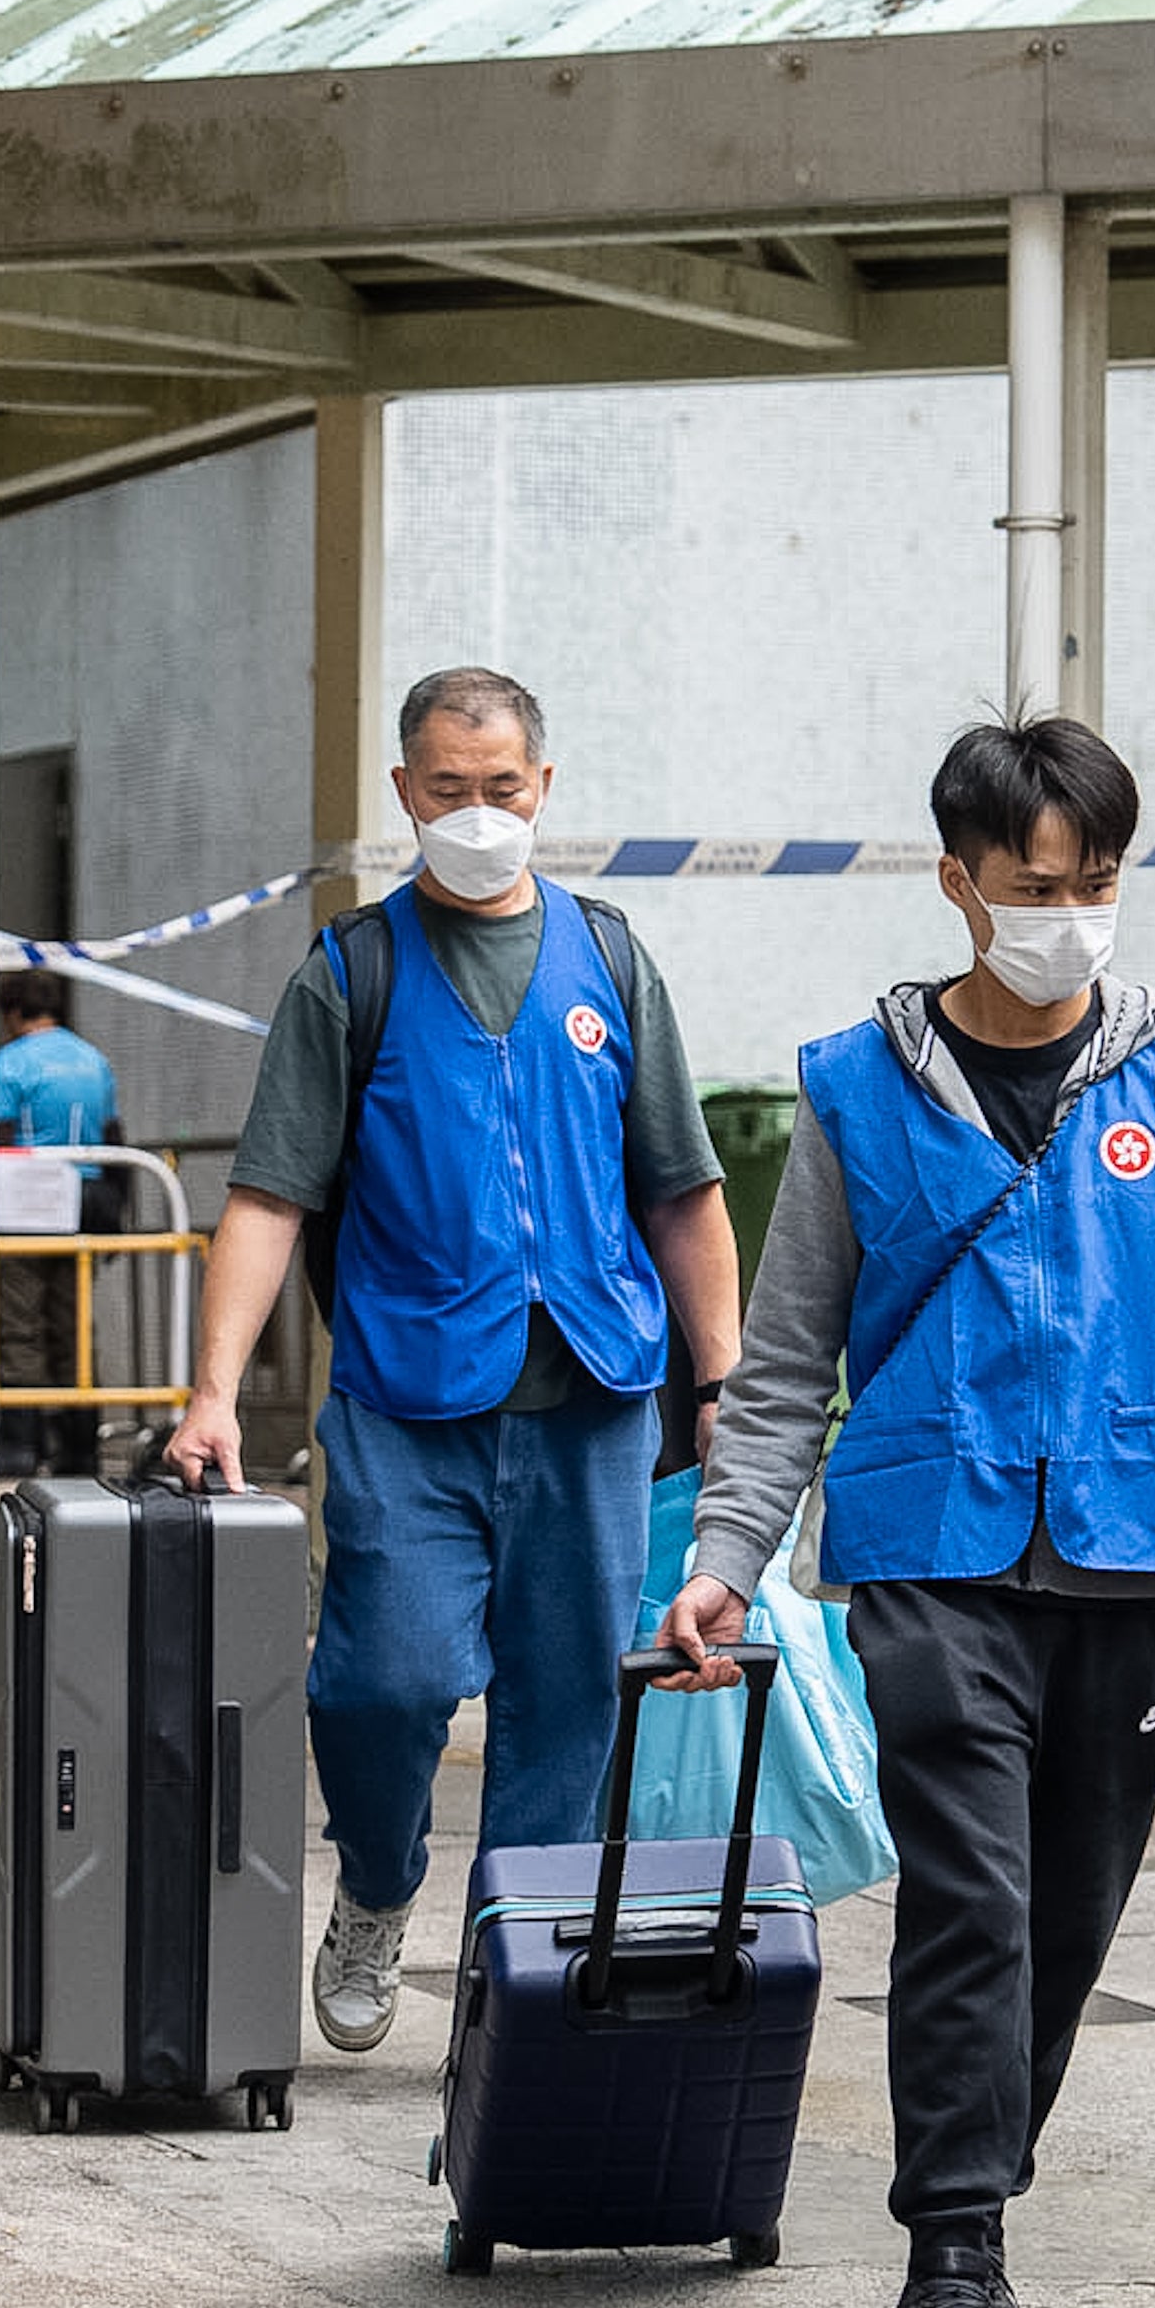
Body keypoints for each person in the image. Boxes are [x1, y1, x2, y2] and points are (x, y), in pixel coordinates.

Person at [659, 714, 1155, 2308]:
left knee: (1067, 1919)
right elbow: (787, 1353)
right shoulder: (855, 1088)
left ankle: (983, 2214)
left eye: (1097, 879)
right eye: (1035, 882)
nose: (1068, 910)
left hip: (1125, 1553)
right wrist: (727, 1552)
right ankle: (948, 2254)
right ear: (959, 878)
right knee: (971, 1897)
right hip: (927, 1549)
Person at [163, 667, 744, 2057]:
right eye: (447, 790)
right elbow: (269, 1194)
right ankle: (375, 1884)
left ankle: (522, 1986)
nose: (476, 814)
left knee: (566, 1710)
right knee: (385, 1678)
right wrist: (211, 1388)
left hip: (593, 1396)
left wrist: (725, 1381)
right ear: (404, 794)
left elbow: (683, 1188)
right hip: (408, 1399)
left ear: (541, 786)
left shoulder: (609, 957)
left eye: (501, 789)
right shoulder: (352, 971)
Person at [0, 973, 121, 1478]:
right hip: (86, 1198)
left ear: (14, 1013)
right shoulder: (93, 1060)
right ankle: (81, 1447)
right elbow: (112, 1133)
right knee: (75, 1324)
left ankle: (20, 1445)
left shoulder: (11, 1062)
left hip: (28, 1197)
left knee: (20, 1322)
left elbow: (0, 1135)